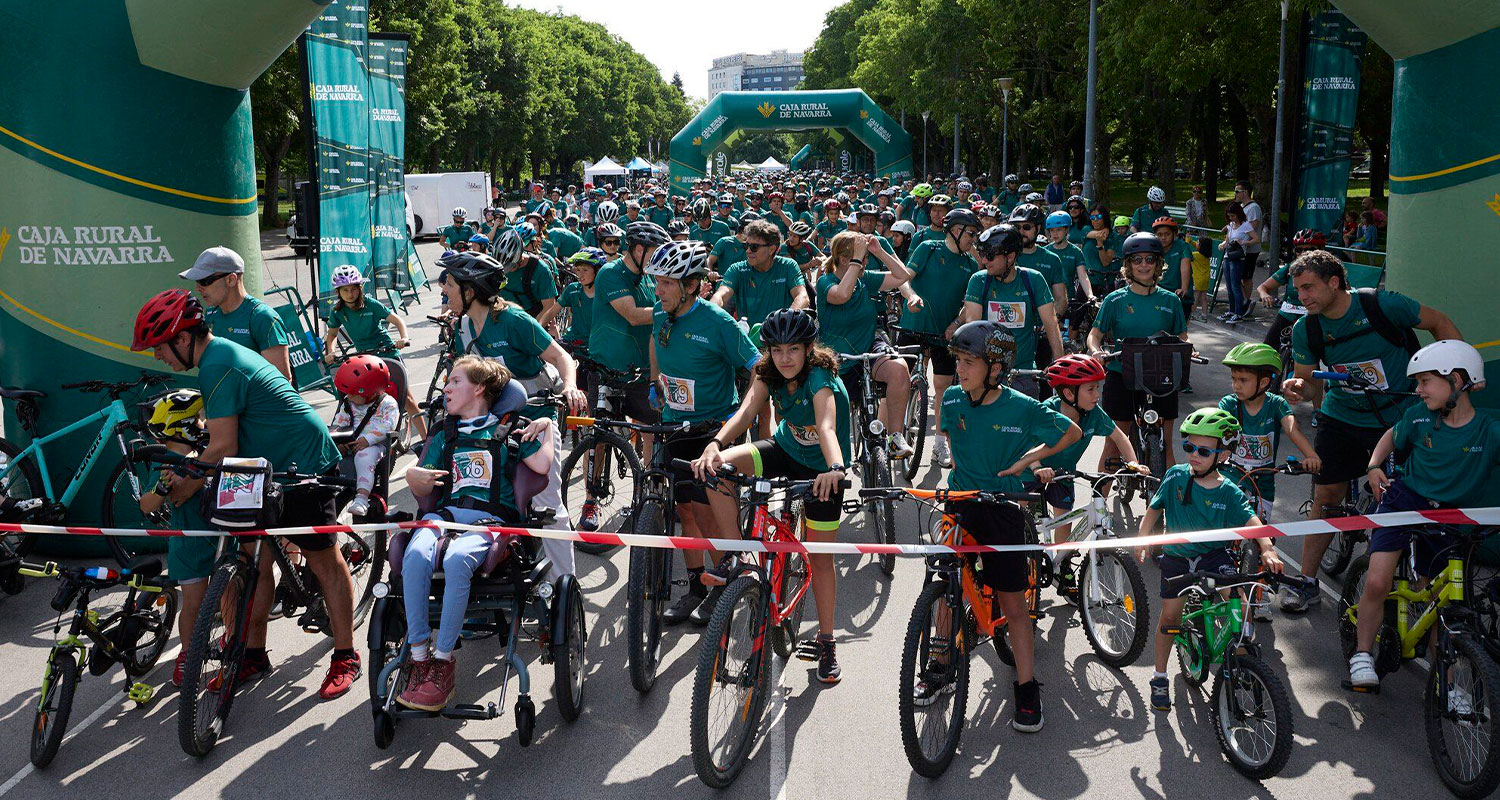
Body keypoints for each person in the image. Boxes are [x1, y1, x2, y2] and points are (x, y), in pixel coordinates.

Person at [132, 289, 360, 698]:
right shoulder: (214, 359)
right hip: (261, 465)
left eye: (159, 347)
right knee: (253, 562)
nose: (157, 356)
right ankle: (252, 654)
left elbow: (221, 447)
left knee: (322, 557)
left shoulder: (217, 362)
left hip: (301, 461)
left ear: (182, 339)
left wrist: (182, 485)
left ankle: (345, 654)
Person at [914, 322, 1081, 732]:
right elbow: (956, 445)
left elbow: (1072, 432)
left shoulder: (1022, 405)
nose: (960, 369)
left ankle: (1026, 686)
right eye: (958, 360)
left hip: (1003, 508)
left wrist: (1026, 462)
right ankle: (939, 664)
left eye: (969, 362)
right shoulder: (952, 399)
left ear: (995, 368)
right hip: (959, 505)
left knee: (1012, 604)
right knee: (943, 585)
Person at [1278, 250, 1460, 612]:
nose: (1303, 297)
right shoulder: (1307, 328)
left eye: (1309, 287)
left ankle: (1422, 589)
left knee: (1413, 500)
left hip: (1402, 416)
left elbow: (1439, 322)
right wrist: (1299, 389)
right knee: (1326, 495)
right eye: (1298, 290)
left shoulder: (1382, 305)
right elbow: (1310, 383)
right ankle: (1306, 582)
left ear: (1334, 282)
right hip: (1343, 416)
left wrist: (1458, 373)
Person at [691, 309, 851, 684]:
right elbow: (746, 412)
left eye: (794, 349)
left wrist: (836, 470)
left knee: (820, 557)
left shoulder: (820, 377)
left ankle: (827, 642)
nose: (786, 358)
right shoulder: (768, 373)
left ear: (809, 349)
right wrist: (715, 444)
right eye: (777, 350)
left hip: (824, 468)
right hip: (785, 450)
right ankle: (736, 555)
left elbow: (826, 426)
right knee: (717, 469)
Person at [396, 356, 556, 711]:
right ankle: (420, 658)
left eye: (454, 382)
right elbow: (423, 481)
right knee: (416, 554)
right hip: (445, 516)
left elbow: (543, 465)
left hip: (489, 523)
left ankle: (443, 662)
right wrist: (412, 476)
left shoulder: (511, 430)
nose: (446, 388)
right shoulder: (443, 433)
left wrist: (546, 426)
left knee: (455, 560)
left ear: (479, 388)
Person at [1348, 340, 1500, 689]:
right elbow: (1391, 435)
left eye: (1425, 382)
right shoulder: (1418, 417)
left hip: (1450, 517)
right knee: (1376, 581)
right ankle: (1361, 653)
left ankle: (1446, 685)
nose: (1418, 391)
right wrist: (1373, 466)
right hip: (1405, 501)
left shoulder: (1488, 431)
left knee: (1439, 602)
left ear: (1458, 380)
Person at [1134, 408, 1281, 711]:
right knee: (1171, 618)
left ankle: (1241, 659)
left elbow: (1252, 519)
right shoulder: (1176, 476)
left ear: (1223, 454)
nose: (1193, 455)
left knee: (1239, 601)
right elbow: (1155, 507)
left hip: (1213, 556)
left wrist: (1267, 547)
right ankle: (1159, 676)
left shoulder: (1228, 490)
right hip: (1176, 558)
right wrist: (1143, 536)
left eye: (1203, 450)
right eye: (1188, 447)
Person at [647, 240, 762, 626]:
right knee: (683, 509)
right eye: (657, 281)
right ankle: (696, 584)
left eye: (666, 282)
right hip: (675, 425)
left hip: (714, 429)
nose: (658, 290)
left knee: (707, 511)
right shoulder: (662, 315)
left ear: (691, 286)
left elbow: (758, 367)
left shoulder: (717, 322)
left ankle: (723, 586)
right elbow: (655, 342)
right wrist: (654, 382)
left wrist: (744, 418)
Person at [1087, 232, 1192, 472]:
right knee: (1113, 446)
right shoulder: (1115, 300)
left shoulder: (1171, 301)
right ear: (1128, 265)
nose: (1144, 265)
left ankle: (1165, 506)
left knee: (1166, 447)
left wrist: (1190, 347)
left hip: (1160, 375)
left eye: (1149, 259)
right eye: (1137, 260)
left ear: (1158, 264)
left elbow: (1182, 336)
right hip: (1121, 373)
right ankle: (1099, 504)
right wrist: (1096, 352)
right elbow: (1094, 335)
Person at [439, 250, 586, 421]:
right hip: (494, 418)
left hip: (536, 416)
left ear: (469, 292)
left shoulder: (514, 321)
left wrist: (570, 386)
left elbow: (559, 356)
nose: (444, 291)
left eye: (449, 285)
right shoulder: (462, 327)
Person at [818, 231, 920, 456]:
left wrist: (878, 251)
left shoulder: (865, 279)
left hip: (867, 345)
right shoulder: (826, 282)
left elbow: (902, 276)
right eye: (863, 257)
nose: (865, 262)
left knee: (899, 369)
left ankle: (895, 438)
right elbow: (842, 294)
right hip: (836, 358)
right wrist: (857, 258)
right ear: (845, 259)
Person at [137, 389, 212, 687]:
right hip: (188, 543)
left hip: (218, 536)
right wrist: (160, 491)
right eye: (197, 419)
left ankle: (232, 647)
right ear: (180, 425)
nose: (203, 424)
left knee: (229, 594)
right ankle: (187, 656)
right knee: (192, 603)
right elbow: (146, 506)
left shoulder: (209, 452)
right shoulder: (163, 462)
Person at [897, 207, 981, 468]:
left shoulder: (969, 263)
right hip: (912, 326)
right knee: (898, 380)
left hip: (945, 334)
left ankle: (939, 446)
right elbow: (903, 278)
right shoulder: (929, 248)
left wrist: (956, 322)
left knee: (943, 387)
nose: (973, 239)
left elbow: (970, 302)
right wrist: (910, 296)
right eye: (970, 233)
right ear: (955, 231)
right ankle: (888, 436)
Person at [1031, 355, 1145, 537]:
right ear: (1069, 394)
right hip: (1032, 469)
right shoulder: (1047, 412)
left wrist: (1133, 463)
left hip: (1063, 472)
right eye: (1090, 389)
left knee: (1064, 523)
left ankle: (1061, 563)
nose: (1097, 395)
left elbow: (1119, 436)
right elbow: (1025, 445)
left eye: (1097, 388)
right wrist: (1037, 468)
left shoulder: (1093, 413)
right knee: (1017, 515)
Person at [1216, 342, 1320, 521]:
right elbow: (1217, 429)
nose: (1236, 385)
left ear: (1263, 382)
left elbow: (1291, 428)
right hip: (1231, 475)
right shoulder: (1229, 404)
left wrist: (1311, 455)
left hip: (1263, 483)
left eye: (1243, 380)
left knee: (1261, 537)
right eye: (1234, 379)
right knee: (1221, 526)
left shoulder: (1276, 404)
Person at [960, 223, 1060, 399]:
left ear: (1011, 256)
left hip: (1022, 373)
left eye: (990, 256)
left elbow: (1051, 324)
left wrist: (1060, 364)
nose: (984, 261)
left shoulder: (1033, 279)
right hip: (986, 373)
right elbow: (972, 327)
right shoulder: (979, 281)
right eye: (983, 255)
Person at [180, 246, 292, 381]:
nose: (198, 288)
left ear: (231, 280)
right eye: (197, 281)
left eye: (204, 281)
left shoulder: (263, 317)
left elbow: (281, 383)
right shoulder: (210, 314)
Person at [330, 355, 401, 518]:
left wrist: (367, 440)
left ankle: (361, 498)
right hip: (351, 442)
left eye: (353, 394)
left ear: (371, 390)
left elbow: (389, 425)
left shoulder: (388, 404)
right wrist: (339, 440)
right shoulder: (349, 403)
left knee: (364, 457)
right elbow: (340, 421)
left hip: (375, 446)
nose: (348, 397)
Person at [712, 220, 809, 325]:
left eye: (754, 247)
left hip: (779, 337)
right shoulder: (737, 269)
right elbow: (721, 295)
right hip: (748, 337)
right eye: (746, 245)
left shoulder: (788, 266)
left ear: (771, 249)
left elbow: (802, 296)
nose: (748, 251)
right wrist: (711, 309)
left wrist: (786, 322)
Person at [1254, 228, 1323, 348]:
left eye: (1310, 249)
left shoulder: (1328, 269)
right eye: (1299, 249)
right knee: (1267, 348)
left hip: (1314, 315)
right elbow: (1262, 287)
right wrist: (1265, 295)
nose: (1304, 253)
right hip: (1288, 313)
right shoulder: (1290, 268)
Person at [1217, 202, 1257, 322]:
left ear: (1239, 214)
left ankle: (1239, 312)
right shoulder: (1230, 225)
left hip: (1238, 258)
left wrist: (1243, 242)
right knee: (1229, 286)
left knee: (1235, 286)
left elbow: (1256, 239)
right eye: (1229, 216)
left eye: (1233, 216)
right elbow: (1227, 240)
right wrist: (1223, 245)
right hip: (1227, 256)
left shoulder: (1246, 226)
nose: (1231, 218)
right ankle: (1232, 310)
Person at [1152, 217, 1194, 317]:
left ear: (1174, 234)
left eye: (1167, 234)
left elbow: (1185, 267)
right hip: (1159, 292)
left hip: (1179, 294)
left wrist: (1183, 289)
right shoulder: (1153, 248)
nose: (1163, 238)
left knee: (1181, 328)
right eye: (1159, 234)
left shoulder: (1182, 246)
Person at [1235, 181, 1263, 310]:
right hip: (1239, 248)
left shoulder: (1253, 208)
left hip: (1250, 249)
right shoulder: (1241, 207)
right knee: (1236, 276)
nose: (1235, 194)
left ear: (1245, 192)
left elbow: (1252, 227)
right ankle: (1242, 301)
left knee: (1246, 276)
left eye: (1237, 191)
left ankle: (1246, 303)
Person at [1081, 209, 1121, 297]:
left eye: (1099, 217)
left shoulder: (1114, 237)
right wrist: (1105, 230)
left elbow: (1105, 262)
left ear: (1105, 218)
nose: (1095, 220)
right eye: (1092, 217)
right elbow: (1098, 235)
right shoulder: (1086, 229)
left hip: (1106, 281)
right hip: (1087, 281)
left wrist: (1100, 244)